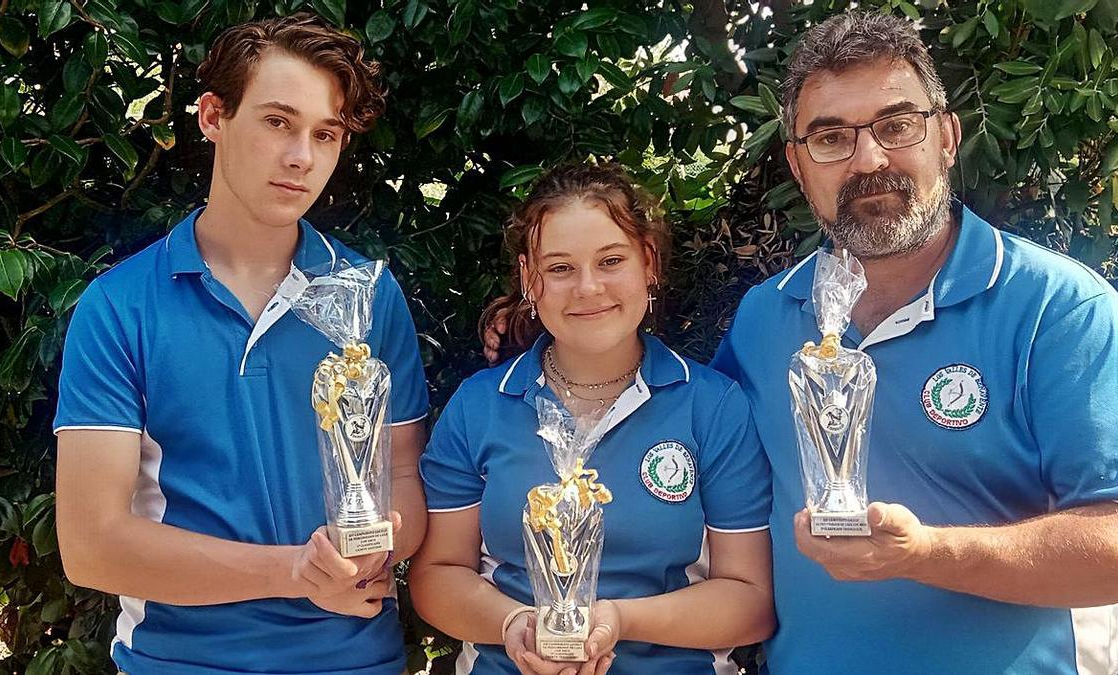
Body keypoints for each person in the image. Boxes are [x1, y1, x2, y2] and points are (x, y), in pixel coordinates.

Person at [708, 11, 1118, 675]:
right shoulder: (764, 317)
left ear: (948, 136)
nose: (869, 159)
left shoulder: (1064, 313)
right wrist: (550, 343)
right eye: (832, 137)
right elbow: (690, 449)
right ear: (797, 163)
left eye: (897, 125)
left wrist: (923, 552)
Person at [53, 14, 429, 674]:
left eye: (326, 134)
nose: (301, 157)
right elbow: (92, 544)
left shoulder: (368, 296)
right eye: (278, 121)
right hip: (178, 662)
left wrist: (377, 545)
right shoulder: (118, 308)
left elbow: (401, 475)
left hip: (356, 659)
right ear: (212, 116)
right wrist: (296, 571)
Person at [409, 163, 775, 675]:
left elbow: (750, 603)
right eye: (560, 268)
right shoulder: (477, 406)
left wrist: (616, 621)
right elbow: (438, 575)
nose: (587, 288)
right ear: (527, 279)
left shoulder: (714, 407)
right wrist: (515, 625)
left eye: (610, 261)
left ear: (648, 263)